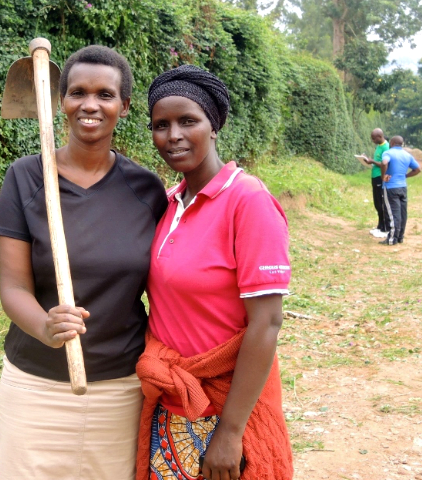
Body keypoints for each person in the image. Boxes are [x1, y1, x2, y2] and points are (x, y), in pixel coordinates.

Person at [0, 45, 167, 479]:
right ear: (60, 101)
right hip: (34, 384)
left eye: (105, 95)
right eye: (77, 92)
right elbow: (13, 288)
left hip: (121, 388)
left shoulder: (147, 190)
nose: (90, 105)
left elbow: (167, 286)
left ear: (124, 107)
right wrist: (45, 327)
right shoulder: (25, 178)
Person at [135, 65, 293, 480]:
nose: (173, 135)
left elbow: (267, 321)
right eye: (161, 125)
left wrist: (231, 432)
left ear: (214, 125)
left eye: (189, 121)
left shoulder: (247, 201)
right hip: (173, 404)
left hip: (225, 409)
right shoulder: (168, 203)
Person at [381, 135, 420, 245]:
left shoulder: (388, 153)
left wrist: (383, 176)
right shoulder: (407, 155)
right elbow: (417, 169)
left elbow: (384, 163)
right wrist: (405, 176)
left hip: (390, 188)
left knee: (393, 214)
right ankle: (400, 237)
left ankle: (392, 239)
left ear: (392, 143)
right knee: (402, 213)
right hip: (403, 187)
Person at [361, 128, 390, 238]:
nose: (372, 140)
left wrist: (372, 161)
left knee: (381, 203)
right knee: (377, 203)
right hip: (374, 176)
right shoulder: (378, 146)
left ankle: (384, 227)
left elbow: (384, 164)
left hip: (380, 177)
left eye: (373, 138)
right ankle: (379, 225)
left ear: (379, 137)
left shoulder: (386, 147)